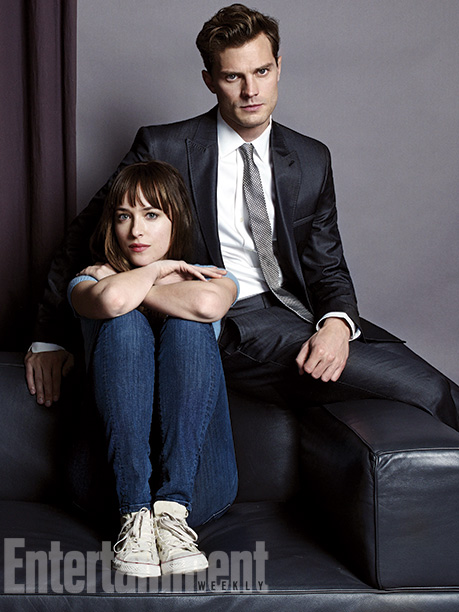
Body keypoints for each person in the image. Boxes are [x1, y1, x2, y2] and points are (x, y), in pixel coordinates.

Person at [27, 5, 458, 429]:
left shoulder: (310, 158)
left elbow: (327, 266)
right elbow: (83, 233)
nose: (251, 91)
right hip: (222, 318)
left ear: (278, 67)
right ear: (210, 80)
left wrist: (337, 325)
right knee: (425, 389)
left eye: (262, 72)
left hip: (298, 313)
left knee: (432, 384)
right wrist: (49, 338)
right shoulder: (165, 148)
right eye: (234, 77)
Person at [67, 160, 239, 577]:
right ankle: (136, 513)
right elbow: (111, 303)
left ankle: (172, 512)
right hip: (108, 485)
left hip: (199, 482)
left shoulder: (212, 278)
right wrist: (158, 271)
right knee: (123, 324)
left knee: (188, 326)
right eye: (123, 216)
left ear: (176, 219)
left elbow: (206, 305)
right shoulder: (86, 282)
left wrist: (140, 280)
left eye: (151, 214)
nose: (136, 231)